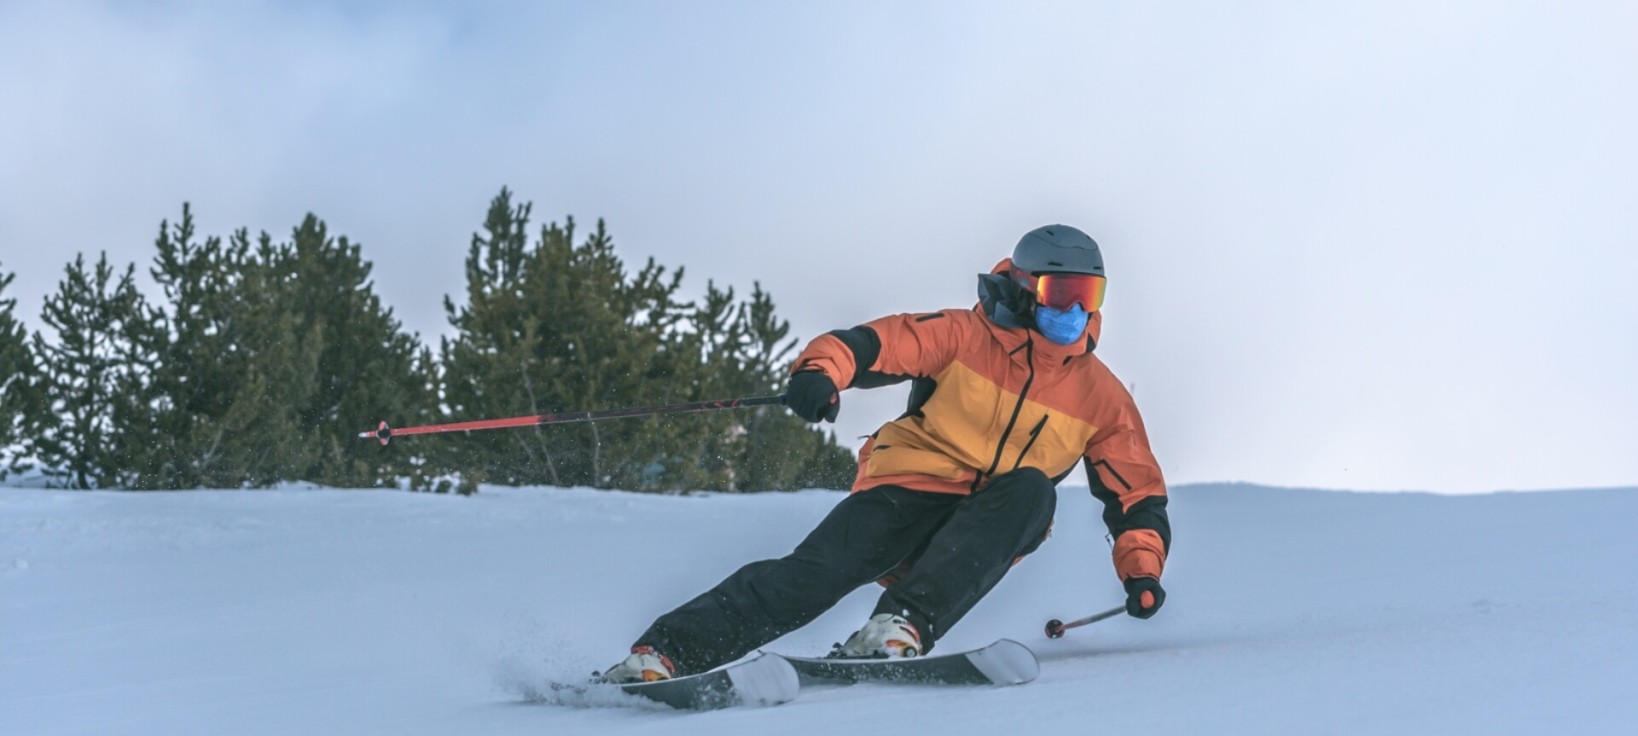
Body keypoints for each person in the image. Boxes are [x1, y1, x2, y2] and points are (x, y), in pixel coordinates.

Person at [601, 224, 1171, 683]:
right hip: (905, 491)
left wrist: (1141, 571)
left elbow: (1137, 494)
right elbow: (874, 343)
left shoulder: (1102, 397)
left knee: (1032, 491)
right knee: (813, 576)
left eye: (1087, 297)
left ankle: (897, 627)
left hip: (981, 531)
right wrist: (821, 373)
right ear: (1025, 287)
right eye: (1059, 294)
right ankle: (665, 654)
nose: (1073, 313)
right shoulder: (962, 335)